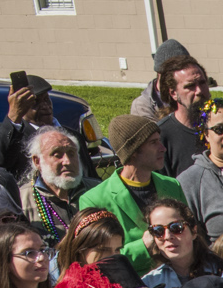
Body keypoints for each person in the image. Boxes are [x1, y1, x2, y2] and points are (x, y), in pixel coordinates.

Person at [79, 116, 189, 272]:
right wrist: (143, 246)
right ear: (134, 151)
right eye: (153, 142)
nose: (162, 148)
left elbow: (189, 234)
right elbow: (97, 261)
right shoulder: (95, 199)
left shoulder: (172, 185)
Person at [17, 126, 85, 248]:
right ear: (37, 161)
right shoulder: (21, 200)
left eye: (71, 153)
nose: (67, 161)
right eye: (57, 155)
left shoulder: (97, 191)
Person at [153, 57, 212, 176]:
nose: (199, 91)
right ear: (173, 93)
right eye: (190, 86)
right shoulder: (161, 136)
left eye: (202, 83)